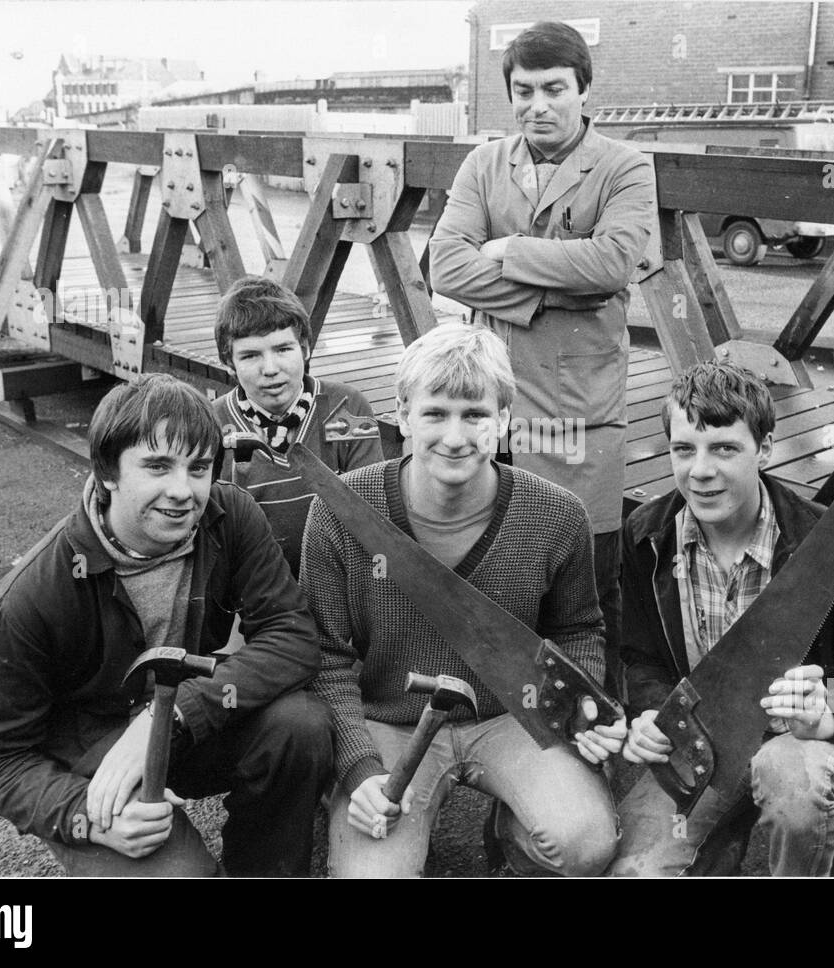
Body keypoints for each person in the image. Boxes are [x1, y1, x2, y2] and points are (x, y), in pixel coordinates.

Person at [0, 374, 334, 876]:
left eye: (198, 467)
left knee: (300, 725)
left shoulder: (232, 514)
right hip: (97, 763)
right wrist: (81, 817)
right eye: (157, 466)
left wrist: (177, 714)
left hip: (187, 726)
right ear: (107, 471)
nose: (182, 491)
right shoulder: (32, 596)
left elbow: (292, 635)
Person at [300, 323, 627, 877]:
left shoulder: (557, 514)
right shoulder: (339, 512)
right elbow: (327, 659)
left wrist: (581, 705)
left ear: (503, 421)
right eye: (435, 414)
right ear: (403, 415)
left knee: (585, 842)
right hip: (391, 724)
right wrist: (358, 770)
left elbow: (576, 630)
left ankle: (512, 834)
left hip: (510, 719)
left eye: (475, 415)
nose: (455, 436)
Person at [429, 20, 656, 700]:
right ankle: (499, 708)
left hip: (578, 410)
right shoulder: (483, 163)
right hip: (493, 401)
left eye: (555, 88)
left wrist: (506, 252)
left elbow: (617, 259)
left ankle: (592, 715)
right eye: (523, 91)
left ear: (584, 90)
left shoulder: (624, 165)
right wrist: (556, 287)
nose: (539, 106)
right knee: (493, 561)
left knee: (587, 576)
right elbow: (444, 263)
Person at [609, 362, 834, 876]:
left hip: (793, 746)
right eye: (684, 450)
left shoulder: (823, 543)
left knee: (795, 785)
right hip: (701, 750)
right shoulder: (645, 535)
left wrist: (827, 713)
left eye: (725, 448)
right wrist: (653, 715)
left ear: (764, 449)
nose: (700, 471)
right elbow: (641, 659)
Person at [212, 274, 383, 576]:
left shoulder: (347, 407)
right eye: (250, 355)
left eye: (283, 349)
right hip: (254, 585)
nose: (270, 369)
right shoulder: (213, 422)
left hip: (337, 576)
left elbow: (371, 515)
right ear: (229, 363)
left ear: (305, 348)